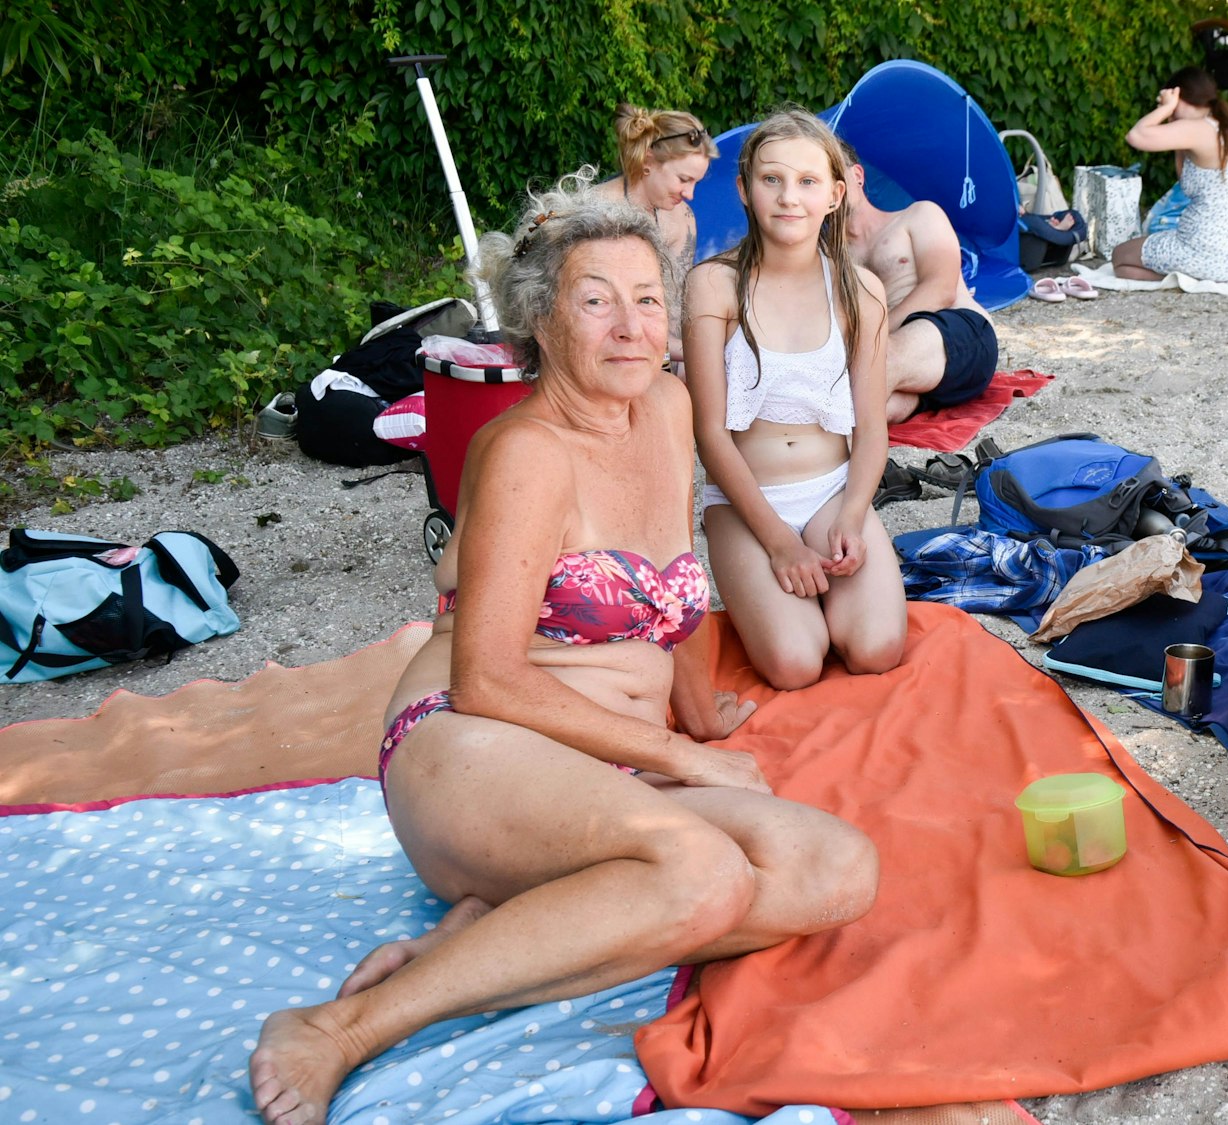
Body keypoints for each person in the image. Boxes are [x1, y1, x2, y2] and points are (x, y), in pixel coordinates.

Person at [247, 179, 879, 1125]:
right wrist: (684, 753)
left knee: (838, 870)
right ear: (541, 320)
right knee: (705, 874)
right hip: (473, 740)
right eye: (596, 301)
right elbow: (489, 677)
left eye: (647, 299)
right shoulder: (526, 453)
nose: (629, 326)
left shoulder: (665, 407)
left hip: (601, 764)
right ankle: (347, 1026)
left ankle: (498, 931)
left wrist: (700, 713)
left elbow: (678, 588)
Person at [685, 109, 907, 690]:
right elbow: (709, 434)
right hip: (745, 502)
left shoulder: (861, 290)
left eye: (808, 182)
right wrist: (782, 545)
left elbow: (872, 429)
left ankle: (829, 587)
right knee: (795, 664)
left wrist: (855, 517)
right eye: (772, 179)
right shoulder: (713, 283)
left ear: (836, 194)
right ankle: (775, 592)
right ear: (744, 189)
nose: (789, 198)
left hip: (832, 491)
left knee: (876, 649)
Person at [840, 145, 1000, 422]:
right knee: (862, 395)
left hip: (958, 331)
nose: (832, 186)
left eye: (835, 173)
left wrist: (874, 335)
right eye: (814, 180)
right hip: (914, 373)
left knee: (873, 364)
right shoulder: (829, 258)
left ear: (857, 175)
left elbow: (941, 289)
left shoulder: (918, 215)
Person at [592, 103, 720, 361]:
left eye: (696, 182)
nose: (690, 194)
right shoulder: (593, 211)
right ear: (648, 160)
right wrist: (698, 354)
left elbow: (675, 313)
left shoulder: (681, 218)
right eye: (684, 179)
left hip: (659, 358)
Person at [1112, 66, 1228, 282]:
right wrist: (1174, 119)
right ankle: (1189, 277)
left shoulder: (1201, 128)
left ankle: (1188, 277)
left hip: (1205, 252)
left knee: (1120, 257)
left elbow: (1136, 135)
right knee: (1130, 262)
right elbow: (1186, 183)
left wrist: (1166, 108)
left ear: (1180, 95)